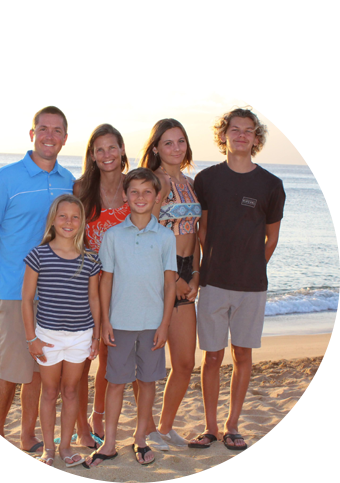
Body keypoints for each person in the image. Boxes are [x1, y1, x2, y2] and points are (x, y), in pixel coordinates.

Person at [0, 106, 75, 453]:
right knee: (10, 367)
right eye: (43, 129)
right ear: (32, 134)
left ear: (65, 137)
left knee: (37, 368)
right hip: (14, 290)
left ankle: (28, 435)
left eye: (57, 130)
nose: (50, 135)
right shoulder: (6, 177)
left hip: (52, 292)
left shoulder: (68, 180)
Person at [189, 108, 286, 451]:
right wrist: (208, 268)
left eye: (249, 131)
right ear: (224, 135)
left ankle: (233, 425)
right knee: (212, 357)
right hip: (214, 284)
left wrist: (251, 266)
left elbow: (270, 239)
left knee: (242, 354)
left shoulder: (271, 185)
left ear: (257, 139)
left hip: (252, 288)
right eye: (235, 129)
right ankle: (211, 427)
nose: (242, 135)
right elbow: (201, 231)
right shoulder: (207, 179)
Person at [83, 168, 177, 468]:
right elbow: (105, 280)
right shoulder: (113, 235)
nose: (140, 197)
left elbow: (170, 283)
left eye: (147, 192)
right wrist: (105, 322)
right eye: (134, 191)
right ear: (125, 196)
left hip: (152, 323)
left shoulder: (164, 237)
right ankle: (109, 444)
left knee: (147, 382)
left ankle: (139, 439)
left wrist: (165, 324)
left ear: (157, 197)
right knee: (115, 383)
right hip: (119, 323)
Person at [22, 194, 101, 466]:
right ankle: (48, 449)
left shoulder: (90, 258)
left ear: (82, 223)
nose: (69, 221)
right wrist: (32, 338)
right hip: (48, 337)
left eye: (75, 217)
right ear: (53, 220)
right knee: (49, 391)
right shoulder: (39, 254)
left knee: (70, 392)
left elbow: (94, 299)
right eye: (63, 216)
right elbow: (27, 299)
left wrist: (97, 336)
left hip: (80, 336)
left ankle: (66, 447)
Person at [139, 118, 201, 450]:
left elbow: (196, 234)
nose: (175, 148)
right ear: (155, 148)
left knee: (185, 362)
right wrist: (173, 277)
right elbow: (147, 233)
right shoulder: (155, 182)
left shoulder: (191, 183)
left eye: (180, 141)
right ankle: (146, 428)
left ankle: (164, 427)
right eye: (168, 143)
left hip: (187, 271)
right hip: (159, 273)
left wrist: (195, 273)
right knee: (150, 361)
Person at [73, 124, 130, 448]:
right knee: (83, 361)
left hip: (123, 288)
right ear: (92, 156)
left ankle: (98, 417)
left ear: (122, 149)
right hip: (86, 285)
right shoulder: (82, 187)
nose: (107, 155)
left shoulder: (132, 187)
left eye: (112, 148)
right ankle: (82, 427)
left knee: (110, 359)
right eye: (100, 149)